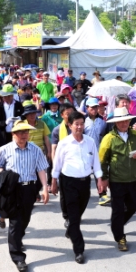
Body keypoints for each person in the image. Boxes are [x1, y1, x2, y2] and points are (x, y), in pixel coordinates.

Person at [0, 121, 49, 272]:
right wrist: (5, 174)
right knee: (15, 223)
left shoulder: (35, 150)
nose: (24, 135)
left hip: (29, 188)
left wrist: (45, 188)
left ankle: (17, 239)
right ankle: (18, 257)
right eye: (20, 132)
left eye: (26, 132)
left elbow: (42, 169)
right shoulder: (5, 149)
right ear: (13, 134)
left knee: (25, 219)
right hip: (13, 189)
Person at [52, 111, 102, 264]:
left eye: (82, 124)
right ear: (70, 125)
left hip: (85, 182)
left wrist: (99, 179)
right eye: (76, 124)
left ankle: (70, 229)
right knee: (74, 217)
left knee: (79, 212)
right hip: (69, 183)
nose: (79, 127)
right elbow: (57, 164)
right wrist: (54, 181)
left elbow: (96, 162)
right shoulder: (64, 143)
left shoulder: (90, 142)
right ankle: (79, 250)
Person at [99, 107, 136, 251]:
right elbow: (102, 161)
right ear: (116, 123)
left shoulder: (135, 135)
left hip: (132, 178)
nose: (124, 123)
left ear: (129, 120)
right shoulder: (109, 138)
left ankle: (116, 225)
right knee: (118, 210)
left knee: (134, 205)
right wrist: (104, 179)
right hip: (116, 180)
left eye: (126, 120)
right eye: (120, 121)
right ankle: (120, 237)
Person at [51, 103, 76, 227]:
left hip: (77, 166)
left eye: (72, 113)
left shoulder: (79, 127)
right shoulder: (57, 130)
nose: (70, 116)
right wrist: (56, 169)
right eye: (67, 114)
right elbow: (54, 149)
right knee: (65, 194)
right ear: (62, 115)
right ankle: (67, 216)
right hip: (63, 167)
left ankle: (75, 215)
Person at [21, 100, 51, 198]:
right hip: (26, 153)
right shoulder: (21, 125)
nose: (32, 115)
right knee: (30, 176)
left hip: (40, 153)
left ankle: (35, 191)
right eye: (29, 114)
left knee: (40, 177)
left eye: (33, 113)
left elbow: (46, 139)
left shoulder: (42, 124)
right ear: (26, 115)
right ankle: (32, 194)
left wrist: (49, 151)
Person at [83, 98, 108, 205]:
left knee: (100, 174)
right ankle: (84, 196)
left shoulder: (102, 121)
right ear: (87, 108)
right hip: (84, 152)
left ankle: (102, 195)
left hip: (99, 152)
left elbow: (105, 136)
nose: (94, 109)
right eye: (92, 107)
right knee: (84, 176)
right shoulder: (82, 121)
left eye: (96, 107)